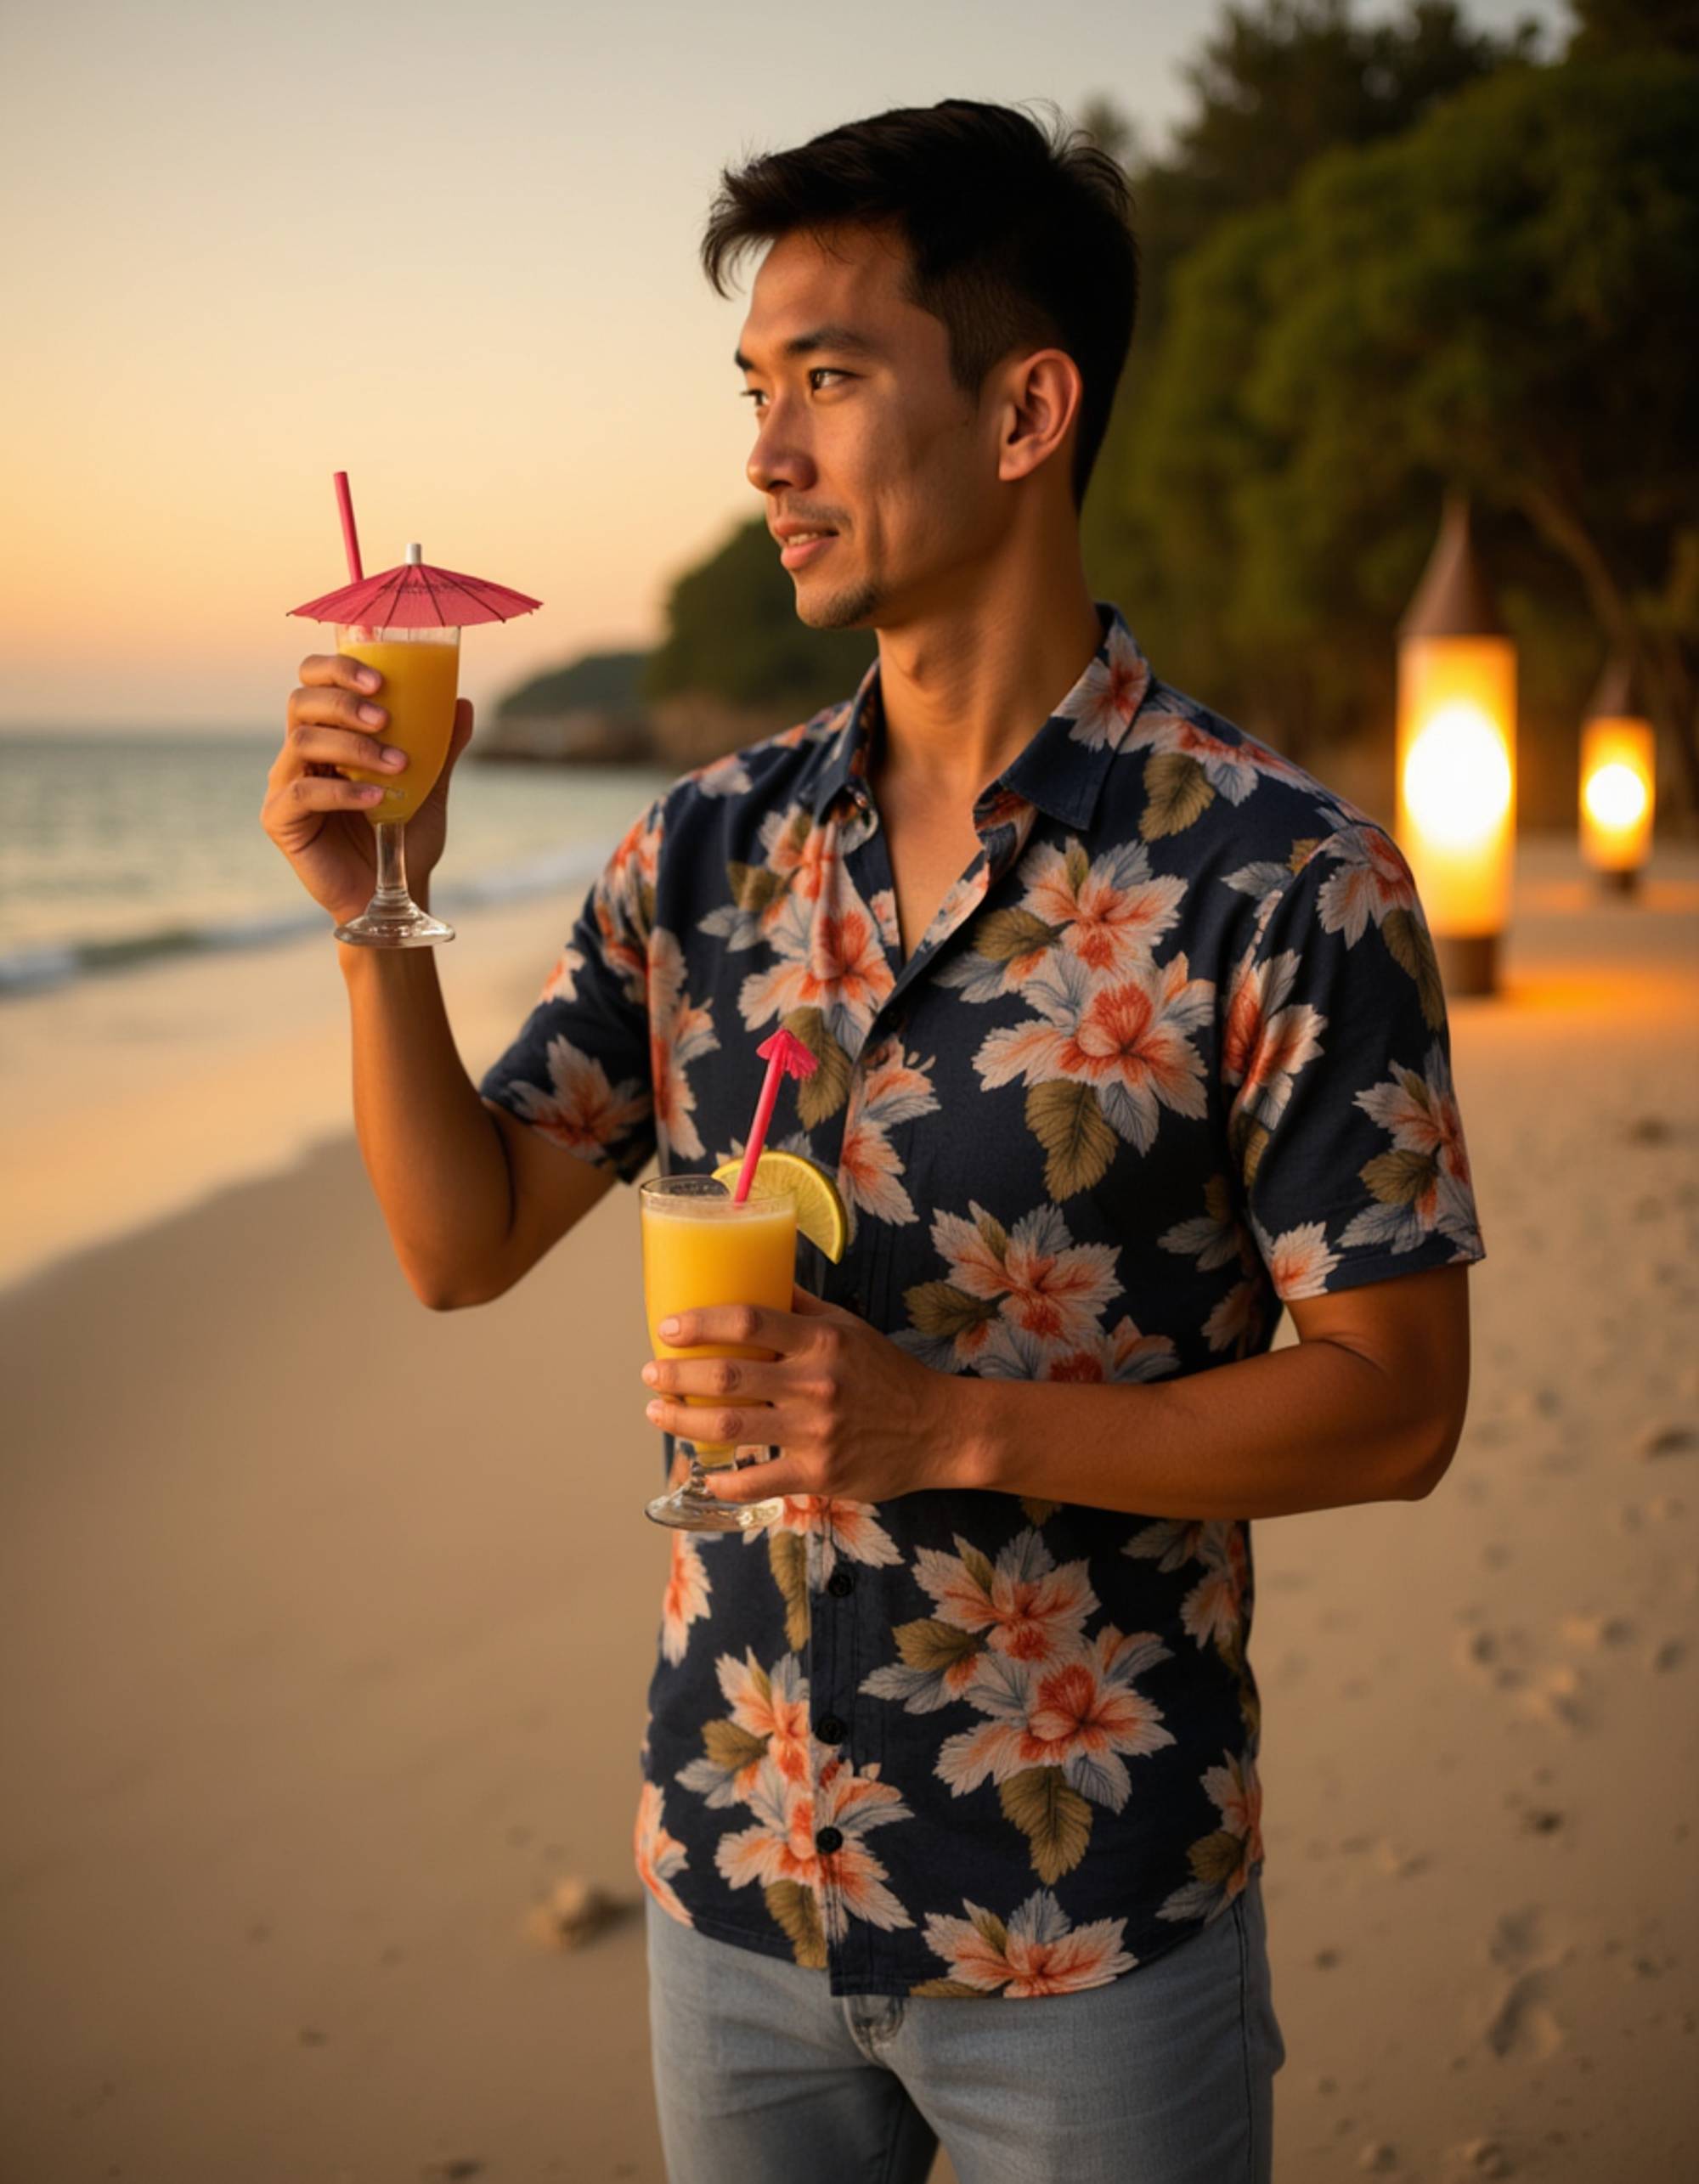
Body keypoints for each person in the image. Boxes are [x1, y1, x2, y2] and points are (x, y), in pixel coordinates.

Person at [262, 96, 1485, 2184]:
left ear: (1025, 409)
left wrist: (953, 1425)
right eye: (755, 388)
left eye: (826, 381)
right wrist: (379, 911)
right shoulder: (707, 853)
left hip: (1089, 1930)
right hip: (728, 1886)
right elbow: (458, 1239)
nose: (764, 453)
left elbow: (1396, 1409)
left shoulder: (1285, 879)